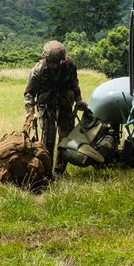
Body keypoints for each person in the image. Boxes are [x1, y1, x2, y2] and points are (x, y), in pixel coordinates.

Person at [24, 41, 86, 177]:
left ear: (63, 59)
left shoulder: (70, 65)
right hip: (47, 107)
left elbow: (74, 84)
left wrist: (79, 99)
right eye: (52, 62)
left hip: (65, 104)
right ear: (46, 59)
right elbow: (29, 94)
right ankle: (47, 173)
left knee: (66, 139)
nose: (55, 65)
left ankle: (60, 171)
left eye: (58, 62)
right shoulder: (38, 70)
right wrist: (30, 113)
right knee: (48, 141)